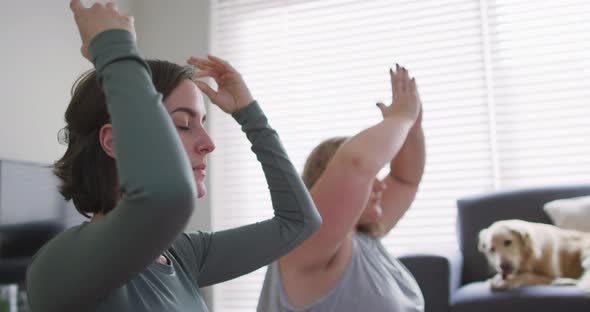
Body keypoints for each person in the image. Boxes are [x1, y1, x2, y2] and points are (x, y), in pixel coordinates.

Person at [25, 2, 321, 311]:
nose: (208, 143)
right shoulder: (61, 264)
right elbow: (167, 197)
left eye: (202, 124)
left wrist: (250, 115)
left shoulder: (183, 256)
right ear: (115, 142)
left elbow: (299, 221)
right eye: (183, 124)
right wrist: (113, 47)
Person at [258, 64, 426, 311]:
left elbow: (405, 179)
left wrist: (412, 127)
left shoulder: (362, 240)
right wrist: (401, 118)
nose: (380, 185)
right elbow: (357, 164)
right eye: (372, 178)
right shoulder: (305, 242)